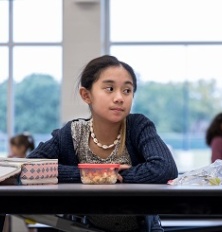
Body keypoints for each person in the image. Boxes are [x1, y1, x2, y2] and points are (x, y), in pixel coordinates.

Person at [27, 54, 179, 232]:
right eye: (109, 88)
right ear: (86, 95)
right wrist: (96, 175)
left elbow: (165, 168)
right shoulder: (73, 133)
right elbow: (31, 167)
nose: (119, 98)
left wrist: (114, 177)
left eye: (127, 91)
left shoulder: (138, 126)